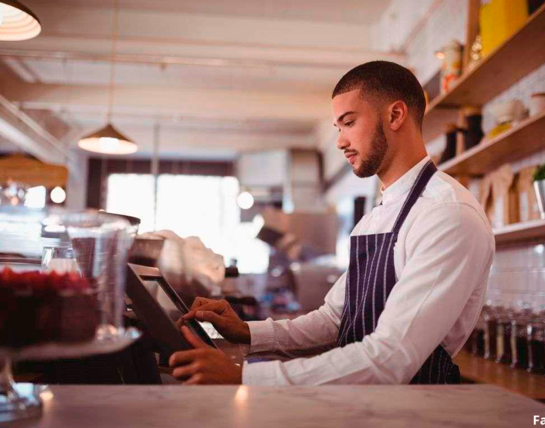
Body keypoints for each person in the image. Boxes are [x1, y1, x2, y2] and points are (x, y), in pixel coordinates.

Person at [169, 61, 495, 385]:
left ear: (395, 115)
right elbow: (334, 320)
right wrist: (246, 331)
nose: (340, 141)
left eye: (349, 123)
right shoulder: (376, 217)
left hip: (411, 413)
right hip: (358, 407)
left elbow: (391, 357)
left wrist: (246, 377)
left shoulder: (448, 215)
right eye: (338, 128)